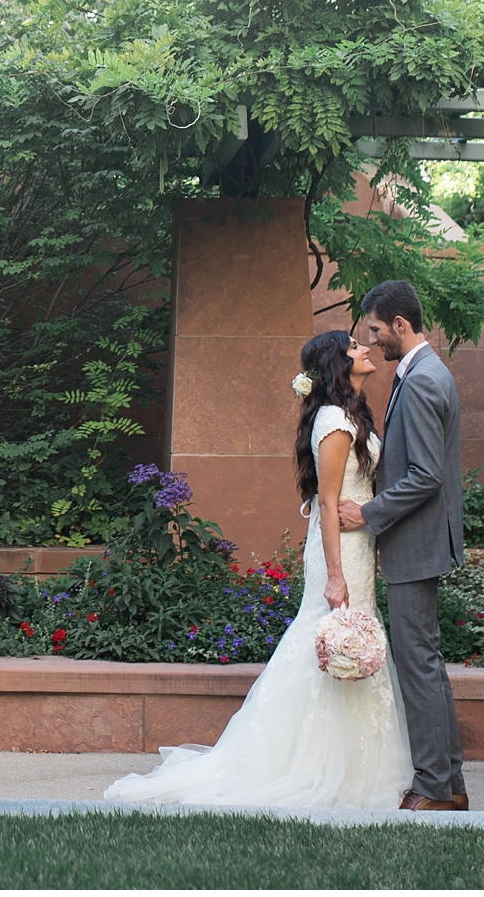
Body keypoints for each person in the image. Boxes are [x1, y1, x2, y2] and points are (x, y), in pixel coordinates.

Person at [103, 328, 411, 808]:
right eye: (354, 346)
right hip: (338, 552)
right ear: (336, 362)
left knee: (353, 641)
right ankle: (309, 766)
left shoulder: (354, 414)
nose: (366, 349)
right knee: (329, 641)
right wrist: (335, 575)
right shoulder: (333, 420)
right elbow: (328, 503)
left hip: (357, 546)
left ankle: (355, 764)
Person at [339, 278, 470, 811]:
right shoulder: (423, 372)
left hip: (414, 543)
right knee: (424, 662)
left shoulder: (420, 381)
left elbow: (424, 476)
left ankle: (437, 788)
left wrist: (367, 513)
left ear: (399, 325)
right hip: (420, 541)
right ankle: (450, 784)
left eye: (375, 329)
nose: (370, 342)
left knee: (419, 663)